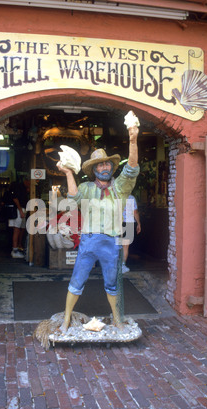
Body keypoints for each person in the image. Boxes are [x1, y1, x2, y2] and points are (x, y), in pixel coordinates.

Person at [56, 123, 139, 332]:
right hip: (89, 241)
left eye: (107, 165)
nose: (104, 168)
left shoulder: (120, 187)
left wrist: (133, 140)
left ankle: (117, 319)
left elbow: (131, 169)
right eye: (99, 166)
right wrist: (67, 172)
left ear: (112, 167)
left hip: (111, 242)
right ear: (94, 170)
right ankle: (66, 318)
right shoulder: (86, 188)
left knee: (112, 283)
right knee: (77, 280)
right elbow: (73, 199)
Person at [8, 176, 30, 258]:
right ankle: (14, 250)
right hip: (18, 210)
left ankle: (18, 246)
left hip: (22, 210)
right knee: (16, 229)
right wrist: (20, 210)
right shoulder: (18, 187)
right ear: (26, 180)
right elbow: (15, 199)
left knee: (21, 228)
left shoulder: (25, 188)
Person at [122, 195, 141, 274]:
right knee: (125, 246)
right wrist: (139, 223)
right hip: (129, 223)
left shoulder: (115, 195)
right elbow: (135, 212)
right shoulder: (131, 197)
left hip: (116, 222)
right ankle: (122, 266)